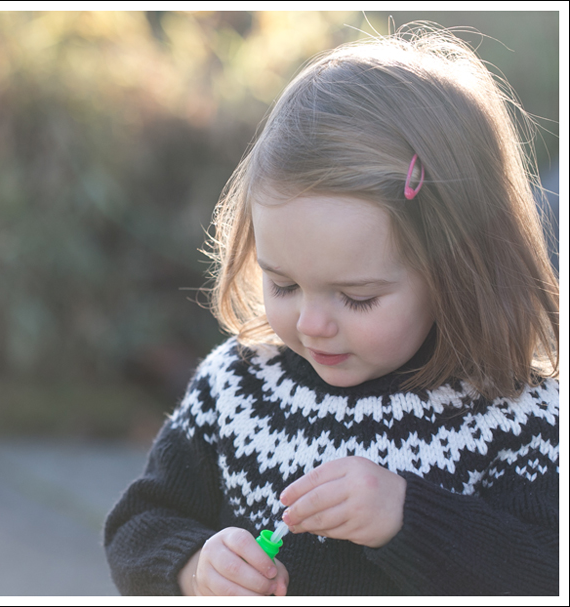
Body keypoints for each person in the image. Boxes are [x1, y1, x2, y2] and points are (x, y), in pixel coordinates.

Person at [103, 23, 559, 596]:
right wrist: (194, 565)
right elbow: (139, 524)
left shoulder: (516, 417)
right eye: (284, 285)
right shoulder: (238, 388)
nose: (311, 324)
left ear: (454, 270)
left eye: (356, 297)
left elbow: (546, 570)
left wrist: (406, 516)